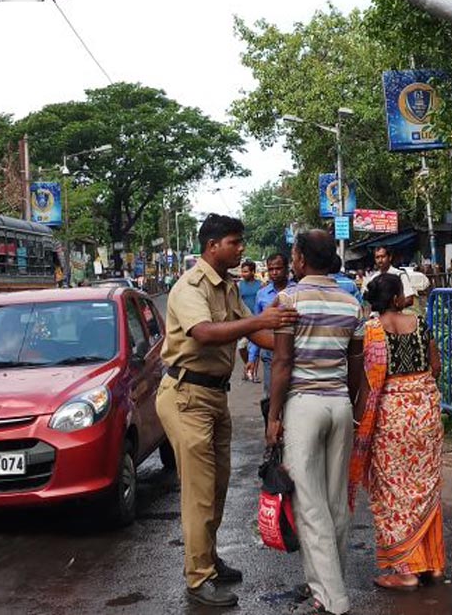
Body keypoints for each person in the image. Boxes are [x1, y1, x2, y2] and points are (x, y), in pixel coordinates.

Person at [156, 214, 298, 608]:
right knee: (200, 491)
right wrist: (262, 319)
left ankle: (208, 559)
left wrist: (294, 346)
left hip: (214, 395)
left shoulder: (227, 288)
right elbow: (204, 332)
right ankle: (198, 578)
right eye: (235, 243)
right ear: (213, 245)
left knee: (217, 486)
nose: (241, 250)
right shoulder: (190, 286)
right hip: (187, 395)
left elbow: (251, 332)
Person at [266, 230, 364, 615]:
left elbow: (282, 363)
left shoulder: (289, 299)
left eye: (293, 253)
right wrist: (352, 406)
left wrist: (273, 416)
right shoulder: (351, 302)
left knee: (310, 505)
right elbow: (356, 365)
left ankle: (334, 598)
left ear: (302, 259)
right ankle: (324, 584)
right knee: (336, 501)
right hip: (340, 404)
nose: (291, 259)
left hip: (304, 405)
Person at [350, 274, 445, 591]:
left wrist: (358, 423)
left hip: (391, 419)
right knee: (425, 486)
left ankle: (404, 572)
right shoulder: (419, 323)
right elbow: (436, 366)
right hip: (425, 413)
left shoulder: (372, 331)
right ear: (395, 299)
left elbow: (367, 383)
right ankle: (431, 566)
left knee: (392, 491)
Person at [249, 252, 295, 405]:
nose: (274, 272)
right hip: (270, 354)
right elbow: (257, 326)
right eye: (271, 269)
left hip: (294, 351)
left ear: (286, 269)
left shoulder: (298, 291)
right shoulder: (262, 294)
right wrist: (252, 357)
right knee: (271, 395)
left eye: (278, 268)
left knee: (292, 395)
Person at [237, 259, 262, 380]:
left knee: (254, 348)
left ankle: (253, 373)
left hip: (257, 321)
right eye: (242, 271)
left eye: (246, 271)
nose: (243, 274)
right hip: (244, 322)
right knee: (242, 347)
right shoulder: (239, 286)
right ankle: (248, 365)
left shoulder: (261, 285)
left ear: (253, 272)